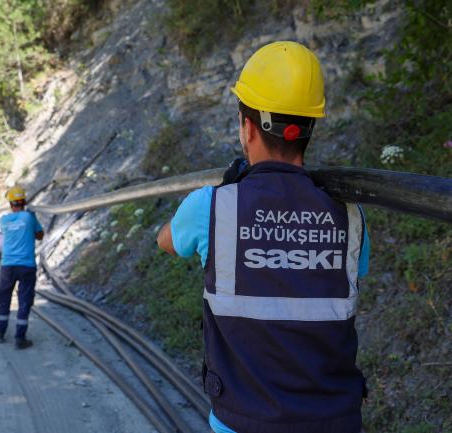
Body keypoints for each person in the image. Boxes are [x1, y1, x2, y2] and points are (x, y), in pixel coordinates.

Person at [157, 41, 371, 433]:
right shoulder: (349, 214)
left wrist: (229, 192)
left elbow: (167, 241)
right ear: (309, 128)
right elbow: (351, 269)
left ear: (248, 128)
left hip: (242, 422)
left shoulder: (211, 206)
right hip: (335, 421)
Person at [0, 186, 44, 349]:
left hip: (7, 266)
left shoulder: (3, 220)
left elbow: (10, 231)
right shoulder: (29, 218)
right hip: (26, 266)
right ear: (24, 201)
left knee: (4, 300)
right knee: (24, 302)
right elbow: (40, 236)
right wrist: (32, 217)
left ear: (10, 203)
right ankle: (20, 338)